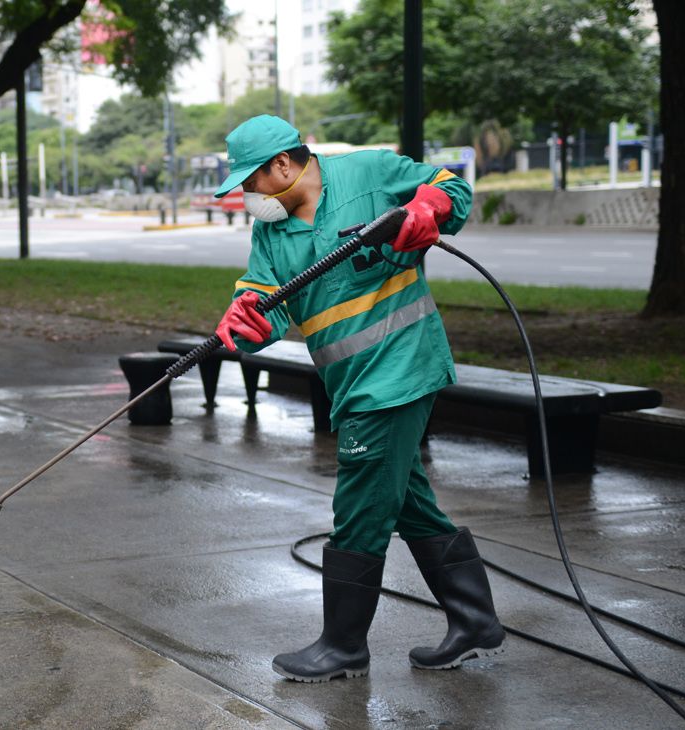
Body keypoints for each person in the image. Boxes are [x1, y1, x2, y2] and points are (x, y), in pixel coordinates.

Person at [212, 115, 504, 683]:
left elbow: (453, 186)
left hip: (399, 370)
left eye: (252, 180)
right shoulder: (271, 232)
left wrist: (431, 210)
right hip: (349, 381)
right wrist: (245, 318)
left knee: (359, 511)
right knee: (407, 502)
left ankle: (343, 646)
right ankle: (475, 622)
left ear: (284, 164)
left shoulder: (370, 171)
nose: (247, 194)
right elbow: (265, 297)